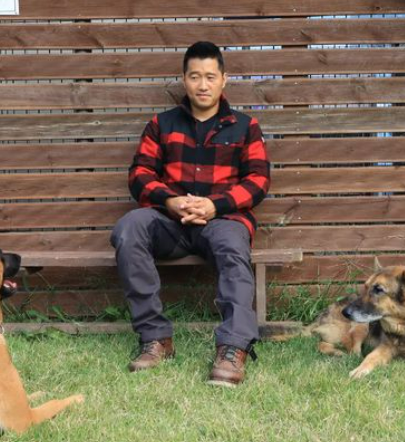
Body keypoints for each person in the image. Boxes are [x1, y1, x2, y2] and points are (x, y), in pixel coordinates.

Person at [110, 41, 270, 387]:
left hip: (222, 221)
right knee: (128, 228)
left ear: (224, 79)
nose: (203, 84)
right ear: (184, 79)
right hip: (170, 222)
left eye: (210, 76)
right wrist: (170, 200)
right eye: (195, 76)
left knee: (234, 246)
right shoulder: (161, 124)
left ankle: (233, 348)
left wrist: (216, 205)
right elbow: (139, 174)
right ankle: (155, 338)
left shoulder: (245, 126)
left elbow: (258, 181)